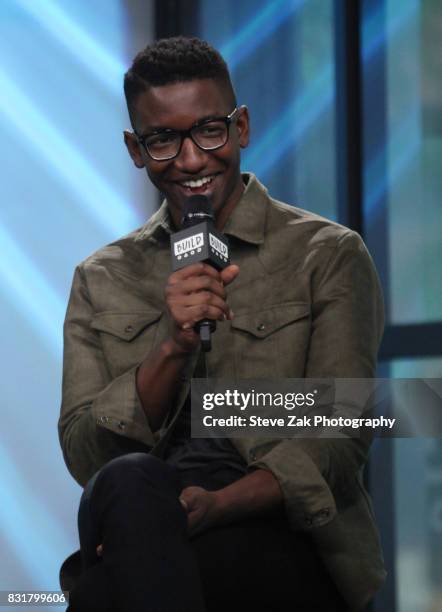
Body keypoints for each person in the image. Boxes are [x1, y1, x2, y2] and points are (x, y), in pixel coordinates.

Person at [58, 37, 386, 612]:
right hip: (146, 522)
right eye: (163, 139)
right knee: (131, 481)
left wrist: (217, 505)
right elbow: (87, 455)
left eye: (209, 130)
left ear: (242, 127)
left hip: (278, 531)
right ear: (136, 149)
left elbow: (342, 430)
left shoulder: (326, 254)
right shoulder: (100, 277)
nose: (190, 160)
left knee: (106, 593)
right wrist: (170, 346)